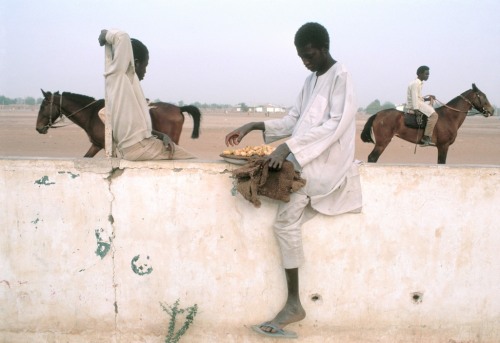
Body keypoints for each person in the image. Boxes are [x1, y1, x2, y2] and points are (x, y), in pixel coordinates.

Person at [225, 22, 362, 339]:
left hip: (325, 163)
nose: (306, 61)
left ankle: (293, 305)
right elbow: (293, 120)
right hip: (303, 157)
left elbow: (336, 125)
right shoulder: (310, 79)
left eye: (309, 55)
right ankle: (292, 303)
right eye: (301, 57)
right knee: (271, 203)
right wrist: (253, 124)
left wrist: (288, 147)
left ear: (323, 48)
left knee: (284, 222)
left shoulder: (341, 76)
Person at [98, 29, 196, 160]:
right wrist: (106, 35)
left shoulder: (129, 86)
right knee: (192, 160)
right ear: (136, 63)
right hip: (141, 148)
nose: (145, 71)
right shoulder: (119, 77)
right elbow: (122, 37)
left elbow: (108, 115)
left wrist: (161, 136)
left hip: (144, 144)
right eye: (145, 66)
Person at [406, 65, 438, 146]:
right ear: (420, 74)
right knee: (434, 116)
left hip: (418, 102)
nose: (427, 76)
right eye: (426, 74)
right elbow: (414, 97)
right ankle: (426, 137)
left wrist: (427, 99)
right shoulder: (415, 83)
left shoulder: (419, 83)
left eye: (428, 74)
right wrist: (416, 109)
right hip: (415, 104)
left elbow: (418, 97)